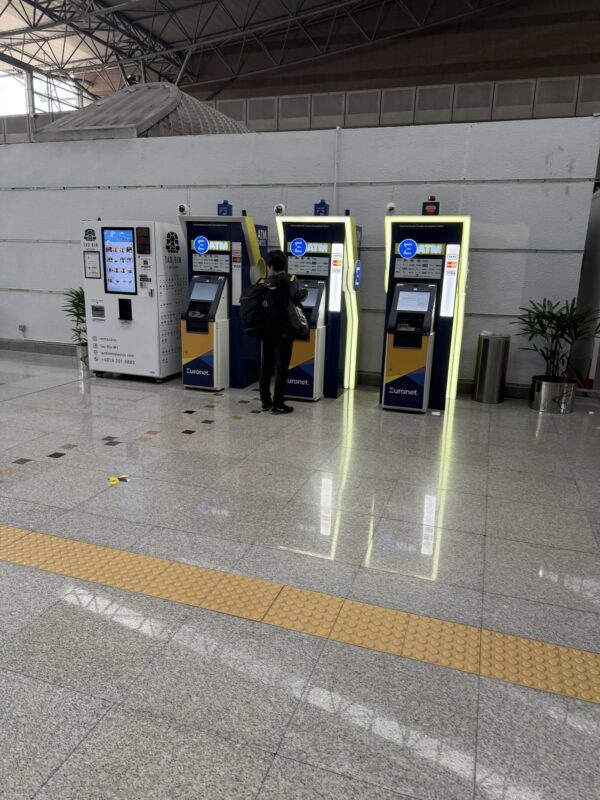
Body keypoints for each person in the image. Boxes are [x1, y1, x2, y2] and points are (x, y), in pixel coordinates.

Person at [259, 249, 305, 414]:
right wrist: (302, 294)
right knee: (282, 366)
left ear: (270, 266)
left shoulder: (265, 283)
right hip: (284, 330)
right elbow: (295, 297)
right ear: (284, 265)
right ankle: (278, 404)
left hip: (267, 329)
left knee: (267, 365)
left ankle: (265, 400)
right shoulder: (290, 279)